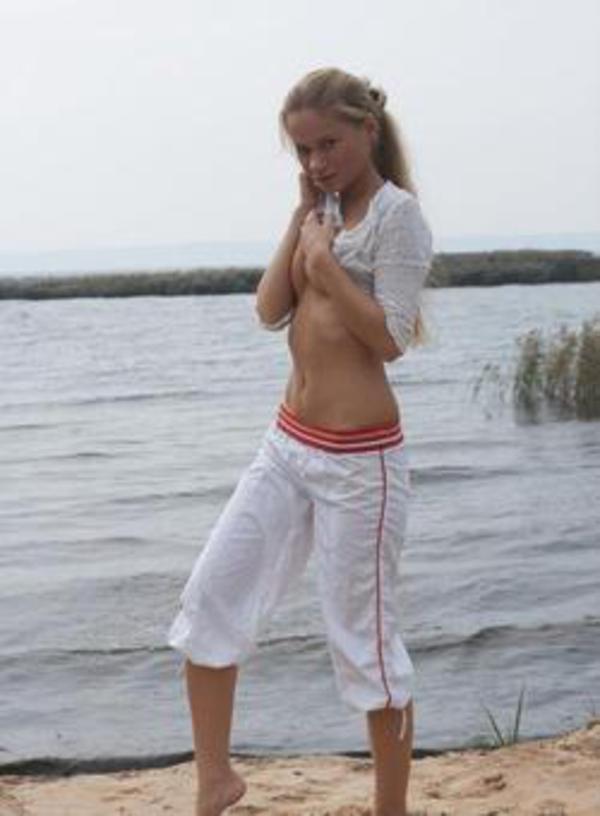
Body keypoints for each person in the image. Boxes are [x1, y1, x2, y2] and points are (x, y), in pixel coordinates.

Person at [167, 66, 434, 816]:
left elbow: (390, 338)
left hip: (360, 466)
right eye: (304, 150)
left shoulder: (398, 216)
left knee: (366, 649)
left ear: (367, 131)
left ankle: (390, 809)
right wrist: (299, 222)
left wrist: (326, 265)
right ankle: (215, 780)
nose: (317, 161)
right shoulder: (318, 212)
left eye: (328, 144)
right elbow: (267, 310)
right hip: (286, 446)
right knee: (210, 601)